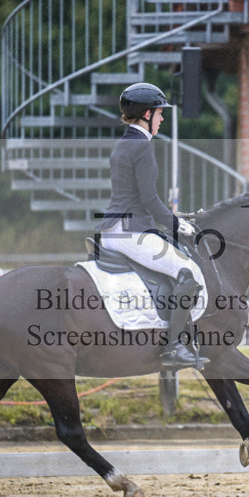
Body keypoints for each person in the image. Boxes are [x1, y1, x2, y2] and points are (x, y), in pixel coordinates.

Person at [95, 82, 209, 370]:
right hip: (130, 232)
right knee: (188, 271)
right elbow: (149, 198)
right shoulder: (142, 147)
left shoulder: (124, 143)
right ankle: (174, 348)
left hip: (114, 229)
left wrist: (176, 217)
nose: (161, 119)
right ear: (146, 114)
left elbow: (137, 198)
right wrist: (175, 225)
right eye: (159, 114)